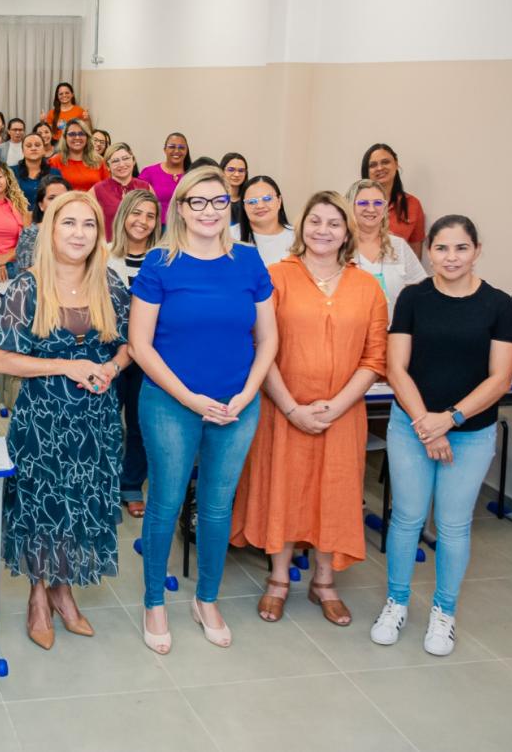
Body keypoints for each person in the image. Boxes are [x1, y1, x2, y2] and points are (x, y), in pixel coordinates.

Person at [130, 167, 277, 653]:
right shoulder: (160, 262)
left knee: (217, 505)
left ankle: (207, 599)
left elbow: (268, 339)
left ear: (229, 207)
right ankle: (155, 601)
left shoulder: (249, 261)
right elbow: (140, 344)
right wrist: (189, 398)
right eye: (197, 201)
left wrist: (247, 394)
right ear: (180, 207)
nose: (208, 211)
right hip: (171, 403)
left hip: (236, 404)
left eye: (218, 201)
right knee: (166, 502)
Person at [230, 192, 388, 625]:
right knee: (284, 489)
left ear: (347, 232)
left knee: (334, 492)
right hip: (283, 409)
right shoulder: (276, 277)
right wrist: (291, 408)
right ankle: (279, 579)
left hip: (343, 413)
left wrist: (335, 407)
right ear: (301, 227)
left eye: (334, 223)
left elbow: (375, 358)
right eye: (315, 221)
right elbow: (259, 346)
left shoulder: (367, 287)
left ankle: (324, 582)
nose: (323, 230)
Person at [0, 191, 132, 649]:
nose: (79, 233)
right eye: (68, 223)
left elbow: (130, 344)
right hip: (43, 420)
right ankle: (38, 593)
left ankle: (63, 590)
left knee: (82, 502)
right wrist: (67, 366)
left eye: (88, 225)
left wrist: (112, 368)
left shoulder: (109, 283)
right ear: (50, 230)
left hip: (96, 418)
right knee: (41, 505)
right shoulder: (27, 287)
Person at [370, 215, 512, 657]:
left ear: (477, 250)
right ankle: (396, 603)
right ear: (429, 252)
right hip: (411, 426)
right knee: (407, 518)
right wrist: (425, 424)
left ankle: (444, 612)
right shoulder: (413, 298)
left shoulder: (498, 304)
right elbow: (396, 368)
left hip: (470, 431)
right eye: (442, 248)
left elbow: (500, 378)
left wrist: (448, 420)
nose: (451, 257)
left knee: (453, 526)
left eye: (461, 248)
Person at [107, 189, 160, 516]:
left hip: (150, 354)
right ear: (124, 215)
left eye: (150, 216)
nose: (142, 221)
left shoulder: (163, 259)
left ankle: (130, 484)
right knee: (108, 421)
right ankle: (104, 482)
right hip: (109, 352)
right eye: (136, 213)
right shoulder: (103, 255)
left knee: (141, 422)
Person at [346, 179, 426, 317]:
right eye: (363, 203)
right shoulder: (340, 247)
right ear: (350, 207)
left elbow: (420, 293)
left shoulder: (398, 246)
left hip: (394, 329)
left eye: (378, 203)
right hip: (352, 329)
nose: (371, 209)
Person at [362, 142, 425, 256]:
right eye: (373, 165)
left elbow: (414, 256)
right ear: (367, 171)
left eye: (385, 162)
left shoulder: (413, 205)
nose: (380, 168)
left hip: (397, 266)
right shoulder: (353, 205)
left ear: (396, 164)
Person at [233, 176, 295, 267]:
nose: (260, 206)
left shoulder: (297, 236)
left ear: (279, 201)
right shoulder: (229, 236)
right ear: (244, 206)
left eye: (267, 199)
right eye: (252, 201)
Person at [93, 142, 151, 237]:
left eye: (126, 158)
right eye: (115, 161)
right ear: (108, 166)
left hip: (140, 243)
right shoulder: (98, 190)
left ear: (133, 160)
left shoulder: (145, 187)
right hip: (110, 244)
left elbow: (153, 218)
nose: (122, 164)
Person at [15, 175, 70, 269]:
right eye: (52, 198)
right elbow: (26, 272)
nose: (58, 202)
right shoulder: (30, 235)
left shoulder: (81, 232)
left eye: (63, 197)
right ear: (41, 205)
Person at [140, 132, 192, 219]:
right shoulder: (149, 173)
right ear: (165, 150)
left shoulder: (193, 174)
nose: (176, 151)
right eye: (172, 147)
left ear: (186, 151)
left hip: (186, 224)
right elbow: (138, 202)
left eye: (181, 147)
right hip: (157, 225)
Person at [47, 121, 109, 192]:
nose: (77, 137)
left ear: (87, 137)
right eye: (72, 134)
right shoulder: (54, 161)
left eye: (81, 134)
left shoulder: (99, 161)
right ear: (65, 137)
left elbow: (107, 190)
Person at [12, 133, 63, 206]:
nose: (33, 148)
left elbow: (60, 199)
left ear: (44, 150)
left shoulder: (54, 173)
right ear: (22, 151)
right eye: (29, 146)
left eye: (37, 145)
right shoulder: (11, 172)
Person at [219, 152, 249, 226]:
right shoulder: (214, 198)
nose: (236, 174)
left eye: (241, 170)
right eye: (231, 169)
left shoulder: (249, 199)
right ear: (222, 171)